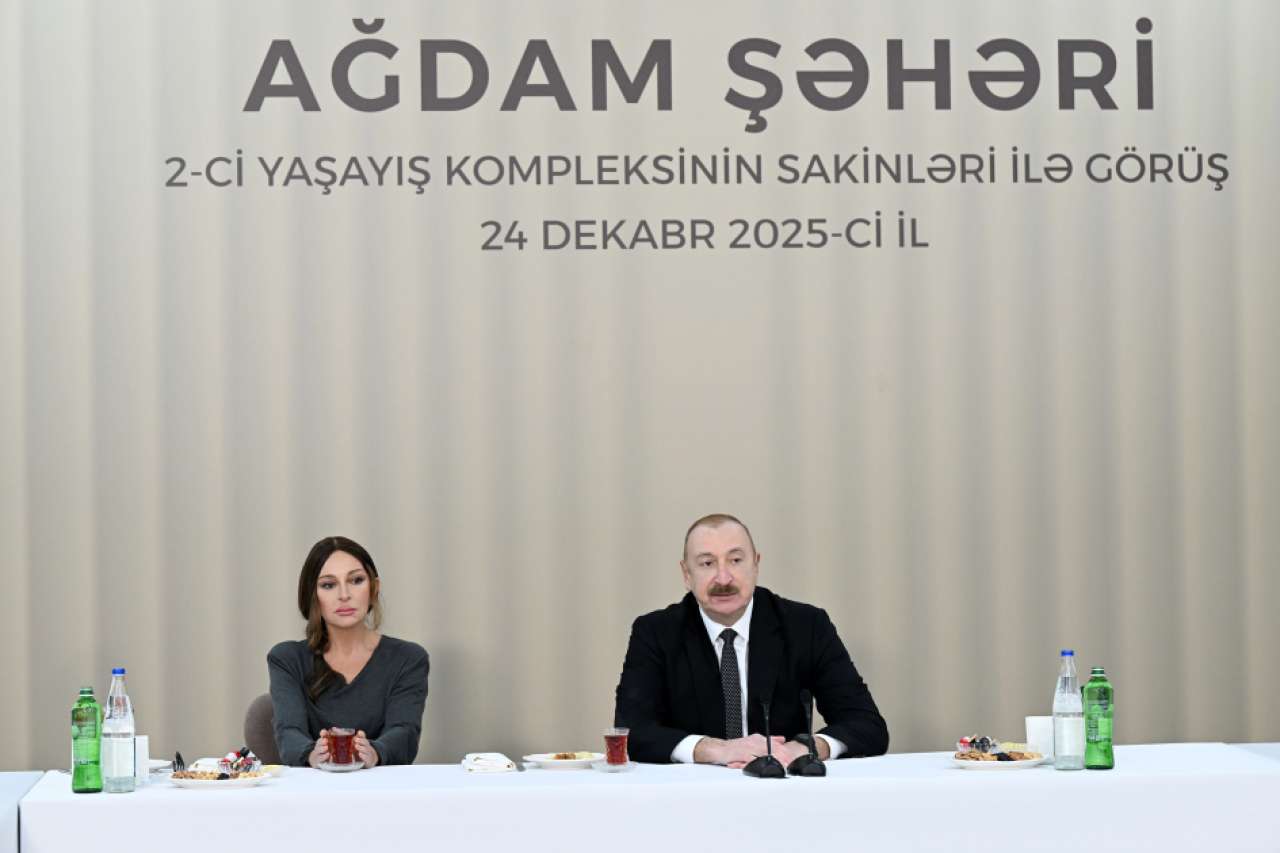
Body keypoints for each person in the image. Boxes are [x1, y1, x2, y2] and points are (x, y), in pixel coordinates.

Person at [614, 513, 888, 766]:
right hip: (693, 793)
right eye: (707, 563)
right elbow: (632, 733)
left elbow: (867, 725)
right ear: (687, 575)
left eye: (735, 560)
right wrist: (716, 750)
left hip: (783, 789)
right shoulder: (655, 632)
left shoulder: (806, 625)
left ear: (755, 565)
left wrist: (804, 748)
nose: (723, 578)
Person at [268, 536, 429, 767]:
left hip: (382, 786)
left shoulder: (409, 658)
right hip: (312, 786)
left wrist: (374, 752)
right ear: (312, 595)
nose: (344, 595)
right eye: (328, 585)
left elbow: (405, 734)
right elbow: (289, 733)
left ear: (374, 588)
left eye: (356, 580)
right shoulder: (286, 659)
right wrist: (312, 754)